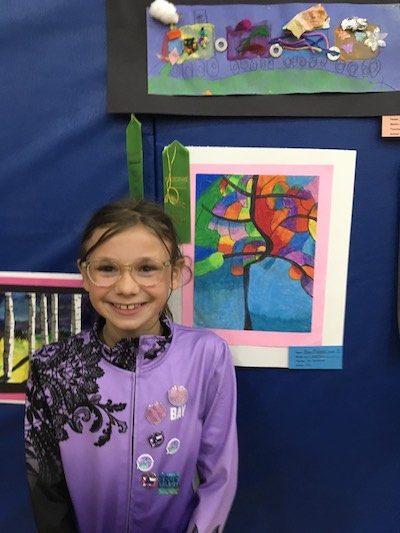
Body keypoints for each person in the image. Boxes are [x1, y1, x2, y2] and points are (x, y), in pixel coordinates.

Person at [25, 198, 238, 533]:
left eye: (146, 268)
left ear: (175, 273)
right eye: (107, 268)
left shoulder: (206, 356)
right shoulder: (52, 366)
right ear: (85, 274)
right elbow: (46, 487)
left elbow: (219, 477)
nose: (126, 288)